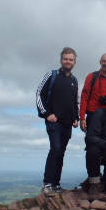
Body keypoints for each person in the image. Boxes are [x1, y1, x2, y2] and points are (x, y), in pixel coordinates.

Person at [36, 47, 79, 194]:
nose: (68, 61)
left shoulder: (74, 80)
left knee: (61, 152)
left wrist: (76, 118)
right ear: (61, 60)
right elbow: (39, 94)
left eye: (71, 59)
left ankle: (56, 184)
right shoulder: (52, 75)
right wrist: (47, 114)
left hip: (68, 123)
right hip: (54, 122)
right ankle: (47, 184)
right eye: (66, 58)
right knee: (55, 149)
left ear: (74, 62)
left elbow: (74, 101)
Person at [80, 53, 106, 184]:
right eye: (104, 61)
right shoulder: (91, 77)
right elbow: (84, 96)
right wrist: (82, 118)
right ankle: (94, 180)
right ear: (100, 62)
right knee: (92, 148)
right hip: (92, 116)